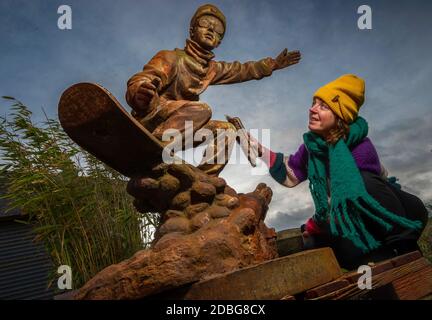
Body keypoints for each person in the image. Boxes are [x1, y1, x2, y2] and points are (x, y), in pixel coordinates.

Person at [250, 74, 428, 269]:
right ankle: (377, 264)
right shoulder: (312, 147)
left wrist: (315, 225)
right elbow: (290, 170)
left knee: (361, 188)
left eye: (323, 106)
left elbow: (351, 202)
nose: (312, 109)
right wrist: (259, 149)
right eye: (314, 103)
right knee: (319, 242)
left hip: (392, 216)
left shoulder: (361, 148)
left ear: (340, 116)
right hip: (356, 220)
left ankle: (406, 254)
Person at [125, 3, 301, 176]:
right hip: (155, 120)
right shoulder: (171, 57)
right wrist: (140, 92)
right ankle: (155, 149)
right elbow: (143, 79)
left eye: (217, 31)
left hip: (182, 127)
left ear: (219, 42)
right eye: (205, 25)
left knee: (227, 130)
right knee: (202, 109)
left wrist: (272, 65)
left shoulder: (211, 69)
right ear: (192, 30)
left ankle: (203, 178)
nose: (211, 31)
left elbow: (241, 70)